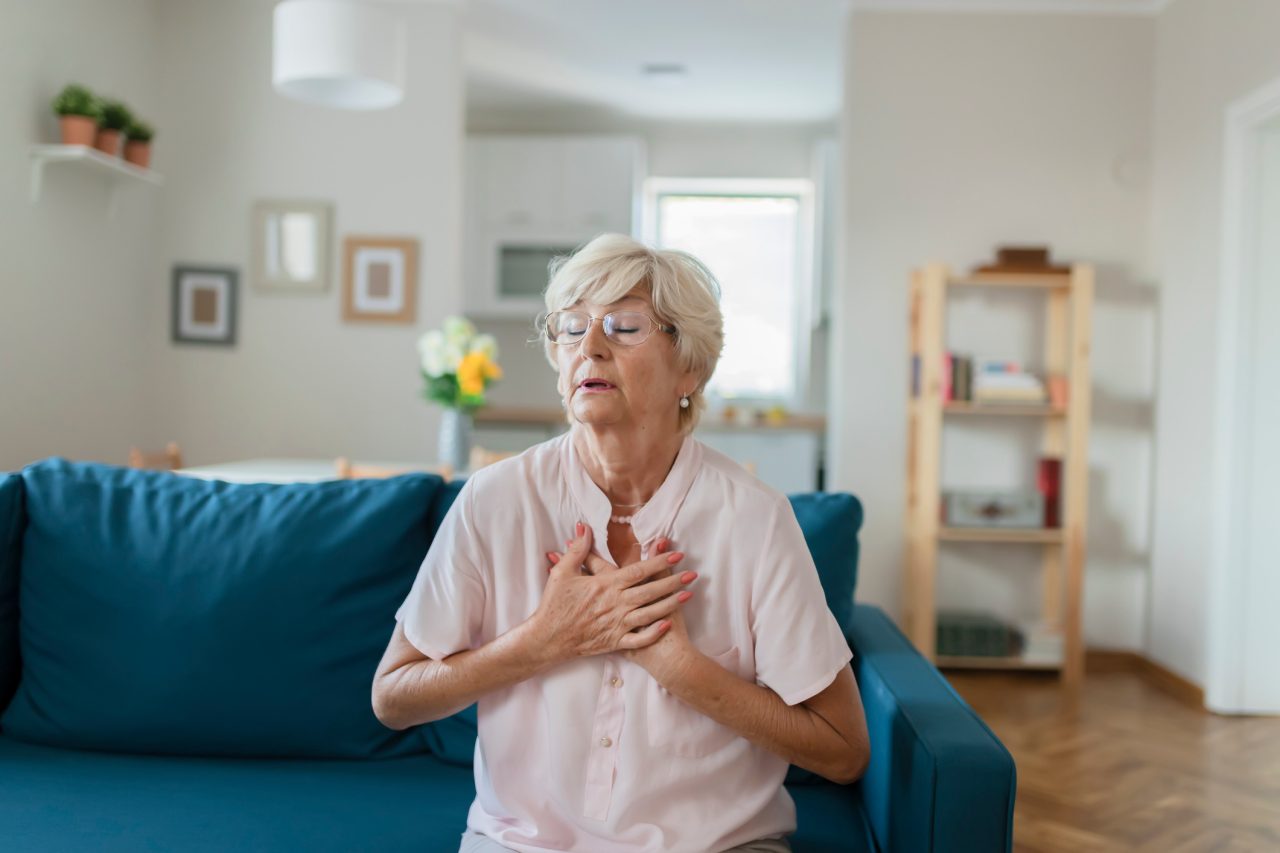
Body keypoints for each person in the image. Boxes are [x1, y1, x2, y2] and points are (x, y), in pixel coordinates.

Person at [372, 234, 869, 853]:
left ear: (689, 366)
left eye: (624, 326)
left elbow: (843, 750)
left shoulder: (755, 519)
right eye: (571, 328)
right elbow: (393, 699)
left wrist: (679, 669)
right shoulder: (494, 500)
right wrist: (542, 642)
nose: (591, 346)